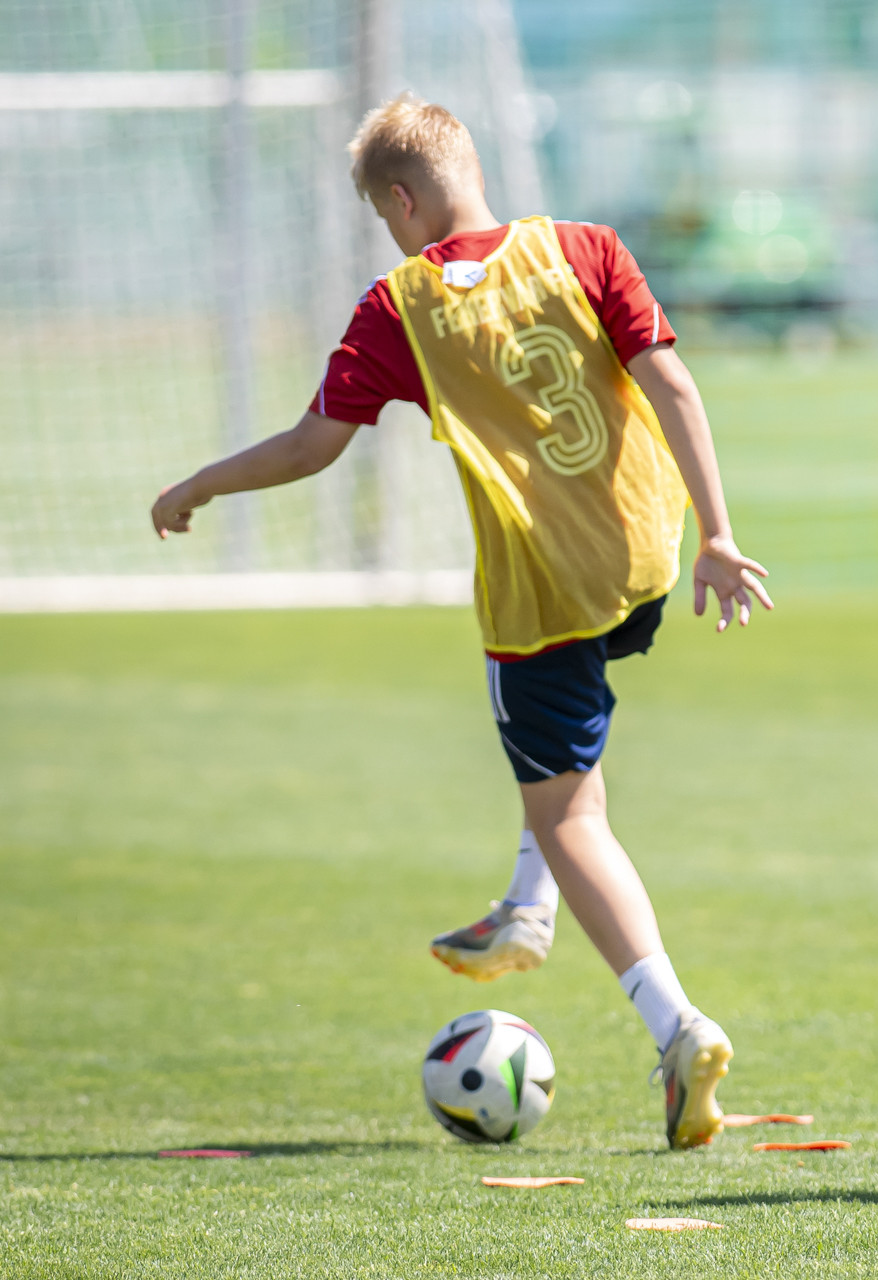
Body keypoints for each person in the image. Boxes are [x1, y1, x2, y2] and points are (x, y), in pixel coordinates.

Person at [149, 94, 770, 1151]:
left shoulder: (400, 305)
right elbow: (670, 381)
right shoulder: (586, 247)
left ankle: (676, 1026)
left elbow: (311, 446)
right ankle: (527, 905)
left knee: (569, 814)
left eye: (382, 216)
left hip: (540, 594)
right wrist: (716, 532)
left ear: (401, 201)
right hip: (642, 555)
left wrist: (199, 484)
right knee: (569, 747)